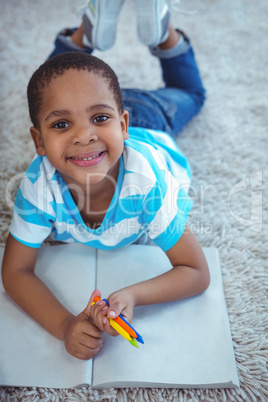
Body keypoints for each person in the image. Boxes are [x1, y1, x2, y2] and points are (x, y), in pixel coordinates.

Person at [1, 0, 209, 361]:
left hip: (150, 118)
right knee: (55, 84)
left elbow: (196, 271)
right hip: (104, 98)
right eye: (61, 125)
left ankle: (164, 35)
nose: (84, 137)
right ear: (38, 142)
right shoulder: (37, 186)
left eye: (98, 120)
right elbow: (16, 271)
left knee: (192, 95)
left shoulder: (146, 186)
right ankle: (85, 33)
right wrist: (64, 325)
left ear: (121, 125)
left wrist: (133, 295)